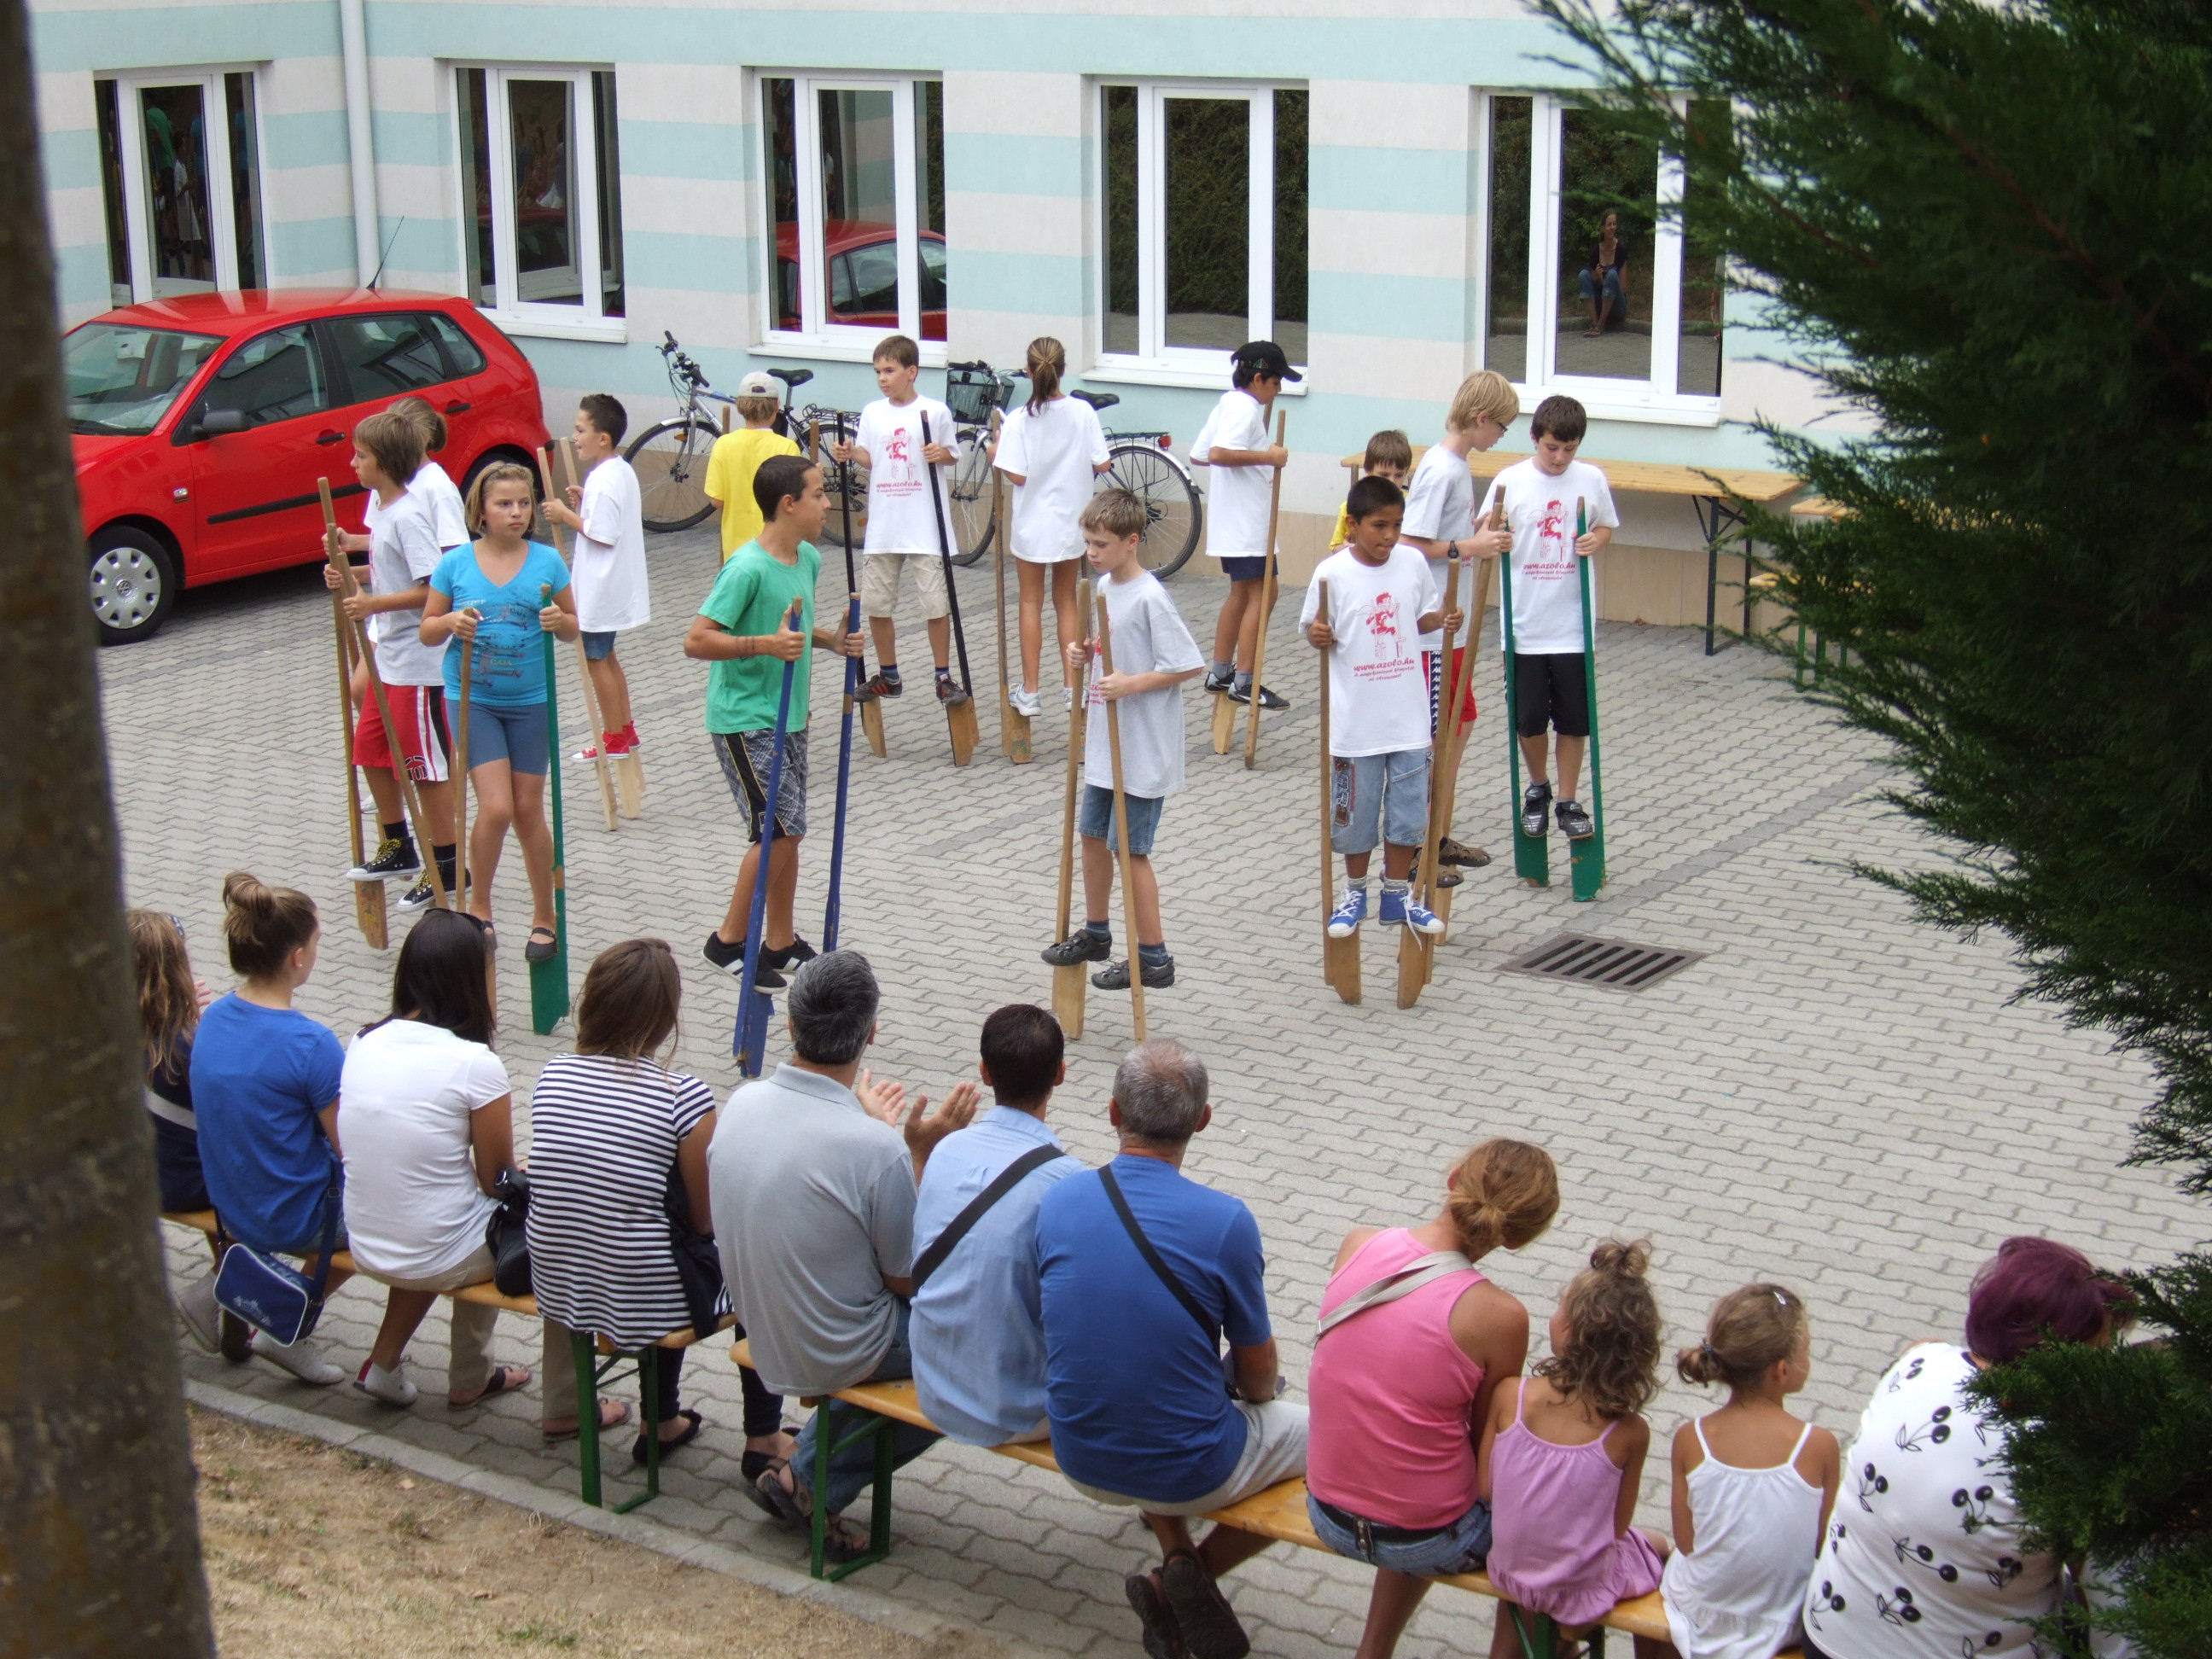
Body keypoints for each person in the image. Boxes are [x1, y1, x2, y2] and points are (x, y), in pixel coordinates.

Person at [1036, 1039, 1305, 1659]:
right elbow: (1258, 1376)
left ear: (1112, 1111)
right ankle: (1187, 1576)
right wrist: (1252, 1392)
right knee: (1326, 1442)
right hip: (1189, 1466)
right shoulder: (1227, 1221)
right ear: (1202, 1121)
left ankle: (1176, 1551)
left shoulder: (1059, 1201)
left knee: (1151, 1387)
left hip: (1079, 1450)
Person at [708, 951, 975, 1562]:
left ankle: (804, 1470)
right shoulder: (875, 1148)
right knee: (972, 1365)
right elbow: (906, 1280)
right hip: (833, 1345)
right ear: (872, 1032)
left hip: (763, 1327)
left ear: (791, 1025)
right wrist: (918, 1157)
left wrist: (871, 1130)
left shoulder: (743, 1102)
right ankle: (810, 1481)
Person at [1800, 1237, 2133, 1659]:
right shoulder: (2063, 1453)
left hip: (1831, 1637)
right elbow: (2104, 1601)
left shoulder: (1919, 1361)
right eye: (2100, 1352)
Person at [527, 939, 791, 1465]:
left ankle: (662, 1420)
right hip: (636, 1294)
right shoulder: (683, 1096)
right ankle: (762, 1436)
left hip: (558, 1284)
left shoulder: (552, 1074)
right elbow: (704, 1220)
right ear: (667, 1018)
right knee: (757, 1267)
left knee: (654, 1239)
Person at [1306, 1139, 1561, 1659]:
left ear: (1454, 1178)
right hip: (1427, 1537)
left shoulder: (1360, 1243)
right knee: (1552, 1538)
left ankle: (1373, 1651)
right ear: (1519, 1238)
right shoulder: (1501, 1316)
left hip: (1328, 1512)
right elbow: (1486, 1443)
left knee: (1410, 1476)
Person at [339, 908, 531, 1411]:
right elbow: (496, 1181)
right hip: (428, 1248)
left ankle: (383, 1363)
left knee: (435, 1214)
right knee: (510, 1224)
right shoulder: (476, 1064)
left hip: (364, 1236)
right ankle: (473, 1375)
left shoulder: (363, 1040)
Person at [684, 452, 864, 984]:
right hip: (745, 718)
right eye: (818, 494)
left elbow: (793, 631)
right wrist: (764, 644)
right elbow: (696, 640)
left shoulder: (807, 557)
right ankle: (726, 941)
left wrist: (831, 641)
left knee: (791, 830)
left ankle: (779, 942)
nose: (827, 504)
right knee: (778, 831)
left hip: (790, 714)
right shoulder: (746, 568)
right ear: (789, 504)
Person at [190, 872, 353, 1386]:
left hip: (229, 1205)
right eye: (317, 941)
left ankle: (217, 1290)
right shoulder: (311, 1044)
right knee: (388, 1225)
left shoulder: (212, 1018)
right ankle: (289, 1327)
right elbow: (349, 1149)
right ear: (297, 958)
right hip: (289, 1217)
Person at [1039, 490, 1205, 992]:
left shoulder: (1150, 596)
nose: (1091, 552)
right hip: (1105, 744)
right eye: (1088, 542)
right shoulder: (1103, 587)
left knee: (1129, 851)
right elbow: (1108, 647)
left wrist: (1131, 684)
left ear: (1132, 542)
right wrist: (1084, 652)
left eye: (1102, 544)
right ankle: (1096, 931)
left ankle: (1154, 956)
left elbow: (1186, 664)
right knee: (1091, 835)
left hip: (1142, 748)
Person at [417, 461, 579, 962]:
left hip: (530, 701)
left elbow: (574, 627)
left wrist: (558, 620)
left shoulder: (548, 562)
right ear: (481, 511)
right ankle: (479, 909)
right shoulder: (456, 565)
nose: (516, 512)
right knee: (497, 808)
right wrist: (450, 620)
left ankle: (544, 916)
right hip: (473, 700)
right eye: (504, 504)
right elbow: (427, 630)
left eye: (524, 503)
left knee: (529, 809)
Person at [1480, 1240, 1671, 1657]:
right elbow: (1616, 1527)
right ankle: (1571, 1636)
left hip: (1509, 1569)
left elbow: (1487, 1488)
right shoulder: (1629, 1433)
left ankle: (1534, 1646)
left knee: (1540, 1567)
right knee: (1657, 1547)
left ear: (1568, 1332)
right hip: (1577, 1586)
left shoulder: (1511, 1395)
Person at [909, 1004, 1080, 1447]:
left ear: (984, 1072)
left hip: (933, 1390)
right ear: (1060, 1074)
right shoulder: (1071, 1184)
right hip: (1016, 1411)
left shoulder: (944, 1151)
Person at [1302, 474, 1462, 939]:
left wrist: (1444, 618)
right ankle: (1355, 893)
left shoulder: (1412, 562)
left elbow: (1422, 618)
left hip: (1408, 718)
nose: (1390, 536)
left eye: (1397, 525)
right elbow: (1313, 628)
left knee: (1409, 813)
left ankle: (1397, 893)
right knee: (1355, 814)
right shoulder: (1331, 574)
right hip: (1356, 722)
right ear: (1352, 525)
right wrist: (1318, 634)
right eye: (1379, 526)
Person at [1661, 1284, 1839, 1659]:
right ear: (1782, 1370)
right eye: (1807, 1349)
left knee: (1666, 1560)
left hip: (1704, 1614)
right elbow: (1823, 1546)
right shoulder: (1818, 1446)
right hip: (1783, 1619)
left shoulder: (1691, 1438)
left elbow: (1688, 1543)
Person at [325, 408, 457, 911]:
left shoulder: (409, 515)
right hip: (391, 661)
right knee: (370, 751)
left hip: (419, 664)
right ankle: (397, 842)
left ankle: (448, 863)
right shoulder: (383, 510)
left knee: (424, 768)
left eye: (360, 456)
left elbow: (434, 589)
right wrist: (349, 574)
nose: (352, 463)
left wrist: (373, 603)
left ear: (383, 462)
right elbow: (386, 570)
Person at [1476, 393, 1618, 845]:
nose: (1559, 458)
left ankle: (1568, 801)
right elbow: (1482, 532)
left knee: (1575, 719)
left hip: (1573, 625)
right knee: (1529, 717)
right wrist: (1495, 536)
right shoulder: (1510, 480)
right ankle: (1538, 787)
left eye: (1569, 449)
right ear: (1535, 438)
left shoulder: (1591, 479)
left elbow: (1606, 525)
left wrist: (1597, 540)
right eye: (1551, 447)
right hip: (1525, 625)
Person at [1403, 370, 1518, 871]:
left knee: (1462, 722)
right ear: (1480, 418)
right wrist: (1471, 545)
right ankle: (1418, 843)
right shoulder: (1442, 469)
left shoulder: (1455, 465)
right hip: (1435, 632)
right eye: (1502, 426)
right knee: (1441, 733)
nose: (1501, 437)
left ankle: (1438, 832)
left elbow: (1442, 533)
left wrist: (1477, 530)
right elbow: (1411, 542)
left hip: (1453, 627)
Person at [831, 334, 961, 705]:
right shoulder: (873, 412)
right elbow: (871, 457)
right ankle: (889, 674)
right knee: (875, 604)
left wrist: (939, 454)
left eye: (889, 371)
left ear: (911, 371)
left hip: (924, 525)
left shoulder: (934, 411)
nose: (882, 378)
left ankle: (942, 675)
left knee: (935, 604)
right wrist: (850, 452)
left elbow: (952, 454)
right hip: (885, 525)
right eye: (878, 372)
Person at [992, 336, 1111, 716]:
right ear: (1063, 369)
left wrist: (996, 453)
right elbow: (1103, 463)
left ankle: (1030, 691)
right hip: (1072, 523)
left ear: (1029, 371)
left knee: (1030, 601)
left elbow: (1018, 475)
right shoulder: (1082, 412)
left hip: (1033, 524)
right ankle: (1072, 687)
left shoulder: (1019, 419)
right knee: (1067, 601)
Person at [132, 907, 230, 1351]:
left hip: (135, 1175)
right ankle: (215, 1291)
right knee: (253, 1195)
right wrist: (199, 1031)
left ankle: (229, 1308)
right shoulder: (188, 1048)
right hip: (179, 1185)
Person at [1190, 341, 1295, 711]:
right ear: (1258, 379)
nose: (1278, 391)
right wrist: (1268, 456)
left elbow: (1199, 454)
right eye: (1276, 382)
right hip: (1246, 522)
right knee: (1265, 593)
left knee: (1242, 594)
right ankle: (1245, 681)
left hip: (1233, 520)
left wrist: (1255, 460)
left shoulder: (1227, 403)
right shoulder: (1245, 408)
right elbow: (1217, 455)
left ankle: (1221, 672)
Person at [544, 393, 649, 760]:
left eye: (580, 430)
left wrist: (566, 516)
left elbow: (603, 534)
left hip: (601, 587)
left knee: (596, 660)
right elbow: (608, 517)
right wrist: (585, 503)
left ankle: (613, 737)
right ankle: (625, 728)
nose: (575, 437)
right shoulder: (618, 471)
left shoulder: (604, 479)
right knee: (607, 656)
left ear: (602, 437)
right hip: (613, 584)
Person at [703, 370, 800, 563]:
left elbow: (716, 500)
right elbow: (795, 500)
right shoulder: (787, 447)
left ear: (739, 406)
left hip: (736, 550)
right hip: (775, 549)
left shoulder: (724, 444)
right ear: (777, 406)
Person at [387, 396, 470, 552]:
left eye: (405, 437)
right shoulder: (387, 480)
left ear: (426, 438)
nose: (396, 443)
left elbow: (454, 548)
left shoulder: (437, 487)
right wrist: (353, 543)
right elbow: (390, 540)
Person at [1327, 429, 1413, 550]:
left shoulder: (1411, 505)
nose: (1392, 482)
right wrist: (1350, 549)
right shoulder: (1349, 507)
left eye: (1399, 475)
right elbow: (1335, 546)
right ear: (1368, 472)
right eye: (1384, 475)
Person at [1580, 212, 1630, 336]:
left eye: (1614, 224)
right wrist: (1597, 278)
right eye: (1609, 225)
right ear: (1603, 228)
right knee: (1583, 275)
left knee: (1612, 274)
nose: (1612, 227)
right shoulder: (1596, 252)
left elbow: (1623, 288)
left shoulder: (1620, 250)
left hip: (1617, 305)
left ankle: (1600, 325)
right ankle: (1595, 323)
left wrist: (1607, 283)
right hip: (1600, 303)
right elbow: (1591, 283)